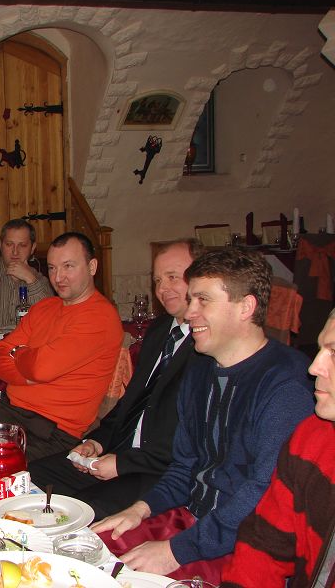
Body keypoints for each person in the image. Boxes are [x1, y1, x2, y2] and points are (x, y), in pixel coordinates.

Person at [92, 248, 314, 584]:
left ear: (246, 307)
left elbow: (263, 495)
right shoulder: (199, 370)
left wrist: (175, 551)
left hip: (249, 543)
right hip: (193, 522)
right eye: (191, 298)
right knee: (89, 551)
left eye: (203, 300)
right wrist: (142, 509)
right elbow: (185, 466)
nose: (190, 311)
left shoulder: (285, 386)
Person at [29, 239, 203, 519]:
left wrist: (123, 464)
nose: (162, 288)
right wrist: (96, 442)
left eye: (173, 277)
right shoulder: (160, 330)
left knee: (77, 511)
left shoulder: (206, 347)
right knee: (32, 477)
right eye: (158, 280)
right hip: (120, 454)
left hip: (160, 471)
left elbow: (191, 439)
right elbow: (130, 403)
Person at [0, 232, 123, 461]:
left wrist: (17, 352)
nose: (58, 277)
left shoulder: (100, 316)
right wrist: (28, 374)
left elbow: (40, 368)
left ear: (92, 267)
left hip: (49, 432)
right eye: (52, 268)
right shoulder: (44, 307)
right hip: (6, 412)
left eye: (68, 266)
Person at [220, 308, 335, 588]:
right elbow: (264, 545)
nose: (314, 367)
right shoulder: (312, 437)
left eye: (334, 353)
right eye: (321, 349)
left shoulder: (285, 390)